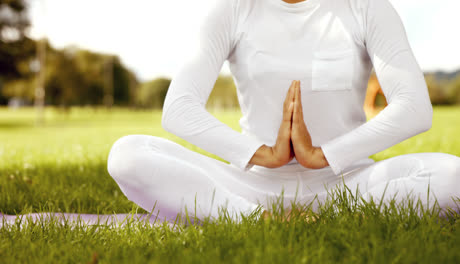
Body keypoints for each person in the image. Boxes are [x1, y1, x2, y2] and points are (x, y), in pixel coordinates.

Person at [105, 0, 460, 222]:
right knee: (127, 155)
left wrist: (324, 155)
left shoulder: (367, 7)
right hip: (250, 185)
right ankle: (258, 219)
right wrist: (263, 155)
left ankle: (317, 215)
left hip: (350, 185)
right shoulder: (232, 9)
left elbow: (414, 106)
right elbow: (178, 109)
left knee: (454, 176)